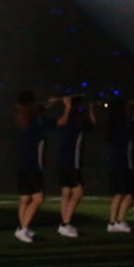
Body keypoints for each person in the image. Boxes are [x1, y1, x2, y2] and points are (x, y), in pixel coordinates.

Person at [53, 94, 93, 238]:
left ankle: (64, 224)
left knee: (66, 193)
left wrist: (66, 106)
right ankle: (65, 224)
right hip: (72, 163)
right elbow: (92, 124)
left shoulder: (64, 120)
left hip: (62, 162)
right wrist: (90, 110)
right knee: (78, 193)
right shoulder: (78, 122)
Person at [12, 91, 49, 243]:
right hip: (32, 165)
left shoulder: (22, 117)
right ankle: (23, 229)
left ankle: (23, 228)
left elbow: (38, 110)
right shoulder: (36, 121)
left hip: (22, 164)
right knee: (38, 198)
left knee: (25, 199)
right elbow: (54, 121)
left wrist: (48, 104)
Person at [106, 99, 134, 233]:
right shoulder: (122, 125)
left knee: (128, 194)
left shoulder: (119, 125)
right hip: (121, 165)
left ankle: (118, 220)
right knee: (120, 193)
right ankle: (113, 221)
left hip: (124, 165)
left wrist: (133, 109)